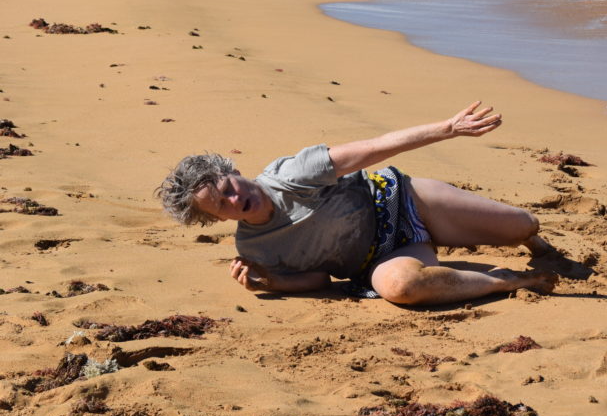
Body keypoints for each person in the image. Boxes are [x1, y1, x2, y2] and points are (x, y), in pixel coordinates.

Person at [157, 102, 558, 305]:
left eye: (229, 186)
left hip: (406, 201)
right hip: (380, 257)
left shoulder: (293, 173)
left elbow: (372, 149)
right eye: (221, 205)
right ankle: (512, 280)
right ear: (214, 219)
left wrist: (448, 128)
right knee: (401, 288)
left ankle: (535, 248)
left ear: (234, 171)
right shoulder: (254, 249)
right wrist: (274, 283)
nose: (234, 199)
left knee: (524, 225)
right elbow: (319, 281)